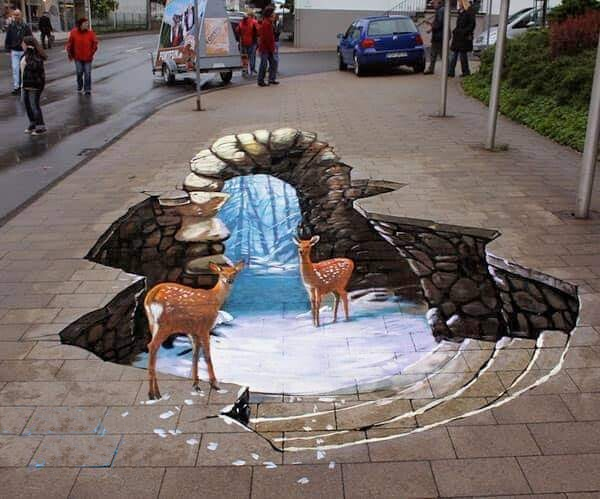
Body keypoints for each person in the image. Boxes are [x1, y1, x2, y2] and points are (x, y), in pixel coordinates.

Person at [20, 35, 47, 135]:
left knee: (34, 105)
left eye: (23, 43)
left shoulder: (35, 55)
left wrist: (30, 52)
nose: (21, 45)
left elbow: (35, 66)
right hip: (25, 84)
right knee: (26, 104)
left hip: (34, 84)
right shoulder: (25, 54)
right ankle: (33, 123)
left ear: (28, 45)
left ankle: (40, 126)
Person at [66, 17, 98, 94]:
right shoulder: (74, 32)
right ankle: (80, 85)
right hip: (78, 57)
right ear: (80, 24)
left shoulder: (90, 33)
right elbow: (70, 44)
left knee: (87, 73)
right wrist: (70, 53)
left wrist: (91, 52)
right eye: (85, 23)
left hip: (88, 58)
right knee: (79, 72)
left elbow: (95, 43)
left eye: (87, 23)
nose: (87, 25)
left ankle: (87, 89)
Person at [4, 9, 32, 95]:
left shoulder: (25, 26)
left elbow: (30, 37)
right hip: (15, 51)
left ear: (21, 15)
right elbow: (8, 37)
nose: (16, 16)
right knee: (15, 69)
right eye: (15, 15)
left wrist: (29, 47)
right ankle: (16, 87)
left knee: (24, 70)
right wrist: (7, 48)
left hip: (23, 51)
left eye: (18, 15)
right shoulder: (11, 26)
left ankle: (24, 86)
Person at [448, 0, 476, 77]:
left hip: (464, 38)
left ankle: (465, 72)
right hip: (458, 37)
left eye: (460, 2)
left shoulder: (469, 12)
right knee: (454, 54)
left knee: (462, 55)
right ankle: (451, 71)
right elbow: (459, 24)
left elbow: (472, 25)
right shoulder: (461, 12)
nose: (459, 4)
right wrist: (455, 31)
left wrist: (463, 32)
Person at [257, 5, 279, 87]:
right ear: (270, 14)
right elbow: (267, 38)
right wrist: (272, 48)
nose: (274, 14)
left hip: (267, 47)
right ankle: (261, 80)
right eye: (273, 13)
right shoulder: (266, 23)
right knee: (264, 64)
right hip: (265, 48)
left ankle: (271, 79)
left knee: (273, 62)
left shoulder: (269, 22)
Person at [424, 0, 444, 74]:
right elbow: (437, 23)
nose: (432, 5)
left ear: (438, 2)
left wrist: (431, 25)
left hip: (439, 37)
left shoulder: (441, 11)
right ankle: (431, 69)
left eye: (433, 3)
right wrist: (430, 26)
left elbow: (439, 24)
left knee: (442, 54)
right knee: (433, 53)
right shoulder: (439, 10)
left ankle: (448, 70)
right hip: (437, 36)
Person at [236, 10, 258, 76]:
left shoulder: (242, 22)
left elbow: (237, 30)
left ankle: (244, 70)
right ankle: (252, 70)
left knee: (244, 57)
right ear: (252, 16)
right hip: (252, 42)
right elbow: (258, 31)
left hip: (243, 43)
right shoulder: (254, 22)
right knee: (252, 57)